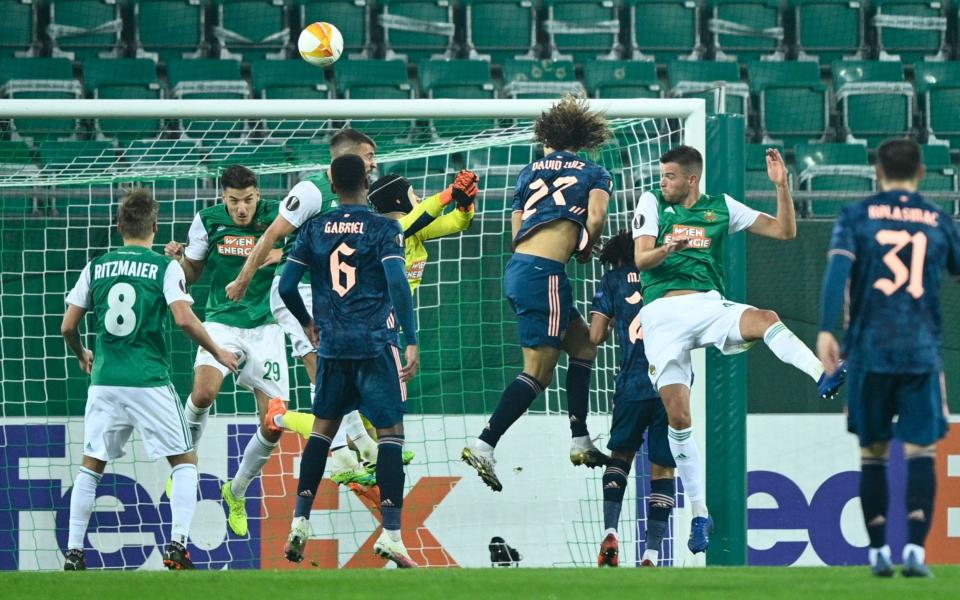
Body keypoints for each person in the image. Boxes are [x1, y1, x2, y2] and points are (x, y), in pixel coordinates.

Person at [632, 145, 847, 554]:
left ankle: (823, 373)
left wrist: (782, 187)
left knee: (766, 318)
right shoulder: (652, 201)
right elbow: (641, 258)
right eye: (663, 176)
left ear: (692, 179)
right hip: (661, 313)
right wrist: (668, 250)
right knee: (678, 418)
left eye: (670, 176)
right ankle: (699, 512)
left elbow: (785, 231)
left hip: (708, 306)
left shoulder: (721, 208)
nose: (663, 182)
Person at [61, 190, 239, 571]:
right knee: (185, 462)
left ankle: (74, 553)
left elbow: (68, 326)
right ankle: (176, 546)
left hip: (105, 381)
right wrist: (217, 351)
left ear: (119, 226)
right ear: (155, 228)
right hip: (148, 380)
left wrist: (81, 354)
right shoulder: (164, 266)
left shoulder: (97, 265)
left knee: (91, 467)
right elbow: (183, 318)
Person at [817, 138, 959, 578]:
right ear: (920, 174)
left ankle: (878, 552)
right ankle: (915, 552)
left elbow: (837, 273)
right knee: (921, 450)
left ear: (877, 173)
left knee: (873, 452)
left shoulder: (857, 216)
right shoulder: (939, 218)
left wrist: (825, 329)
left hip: (868, 352)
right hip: (919, 353)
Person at [462, 95, 613, 492]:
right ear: (581, 139)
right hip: (544, 274)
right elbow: (595, 218)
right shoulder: (594, 172)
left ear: (546, 136)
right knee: (537, 372)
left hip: (526, 269)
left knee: (582, 345)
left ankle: (580, 440)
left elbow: (516, 234)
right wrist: (584, 247)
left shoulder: (527, 172)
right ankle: (484, 444)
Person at [278, 154, 421, 567]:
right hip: (375, 345)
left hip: (333, 347)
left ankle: (299, 524)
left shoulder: (314, 228)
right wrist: (410, 340)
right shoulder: (384, 227)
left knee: (322, 433)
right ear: (367, 179)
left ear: (331, 182)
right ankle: (392, 535)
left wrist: (308, 324)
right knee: (391, 434)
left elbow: (287, 286)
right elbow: (397, 283)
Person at [224, 129, 384, 487]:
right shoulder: (311, 191)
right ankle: (341, 453)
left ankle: (362, 445)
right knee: (321, 365)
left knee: (337, 368)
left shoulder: (359, 196)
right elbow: (272, 235)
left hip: (330, 295)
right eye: (370, 155)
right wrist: (244, 279)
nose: (374, 162)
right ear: (350, 157)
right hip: (297, 292)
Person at [163, 165, 287, 538]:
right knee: (203, 393)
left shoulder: (278, 216)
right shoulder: (208, 221)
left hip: (266, 326)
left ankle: (236, 492)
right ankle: (183, 467)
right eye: (234, 201)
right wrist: (179, 260)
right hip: (220, 320)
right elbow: (193, 273)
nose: (242, 209)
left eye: (248, 200)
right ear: (223, 198)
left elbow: (305, 250)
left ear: (258, 195)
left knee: (274, 424)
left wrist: (277, 254)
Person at [589, 231, 675, 568]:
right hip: (670, 386)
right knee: (663, 469)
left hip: (631, 385)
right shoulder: (667, 274)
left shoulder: (612, 280)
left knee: (620, 457)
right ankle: (652, 554)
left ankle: (611, 530)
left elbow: (596, 336)